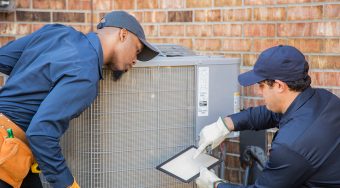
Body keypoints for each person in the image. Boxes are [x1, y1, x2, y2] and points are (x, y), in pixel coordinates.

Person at [0, 11, 158, 188]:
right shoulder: (86, 73)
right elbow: (41, 134)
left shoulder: (57, 33)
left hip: (16, 155)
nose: (135, 60)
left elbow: (3, 58)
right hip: (6, 157)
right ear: (123, 34)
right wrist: (68, 185)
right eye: (136, 50)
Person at [194, 45, 340, 188]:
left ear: (279, 86)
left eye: (262, 85)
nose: (259, 92)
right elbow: (270, 114)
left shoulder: (290, 147)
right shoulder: (323, 99)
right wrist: (225, 125)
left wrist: (215, 185)